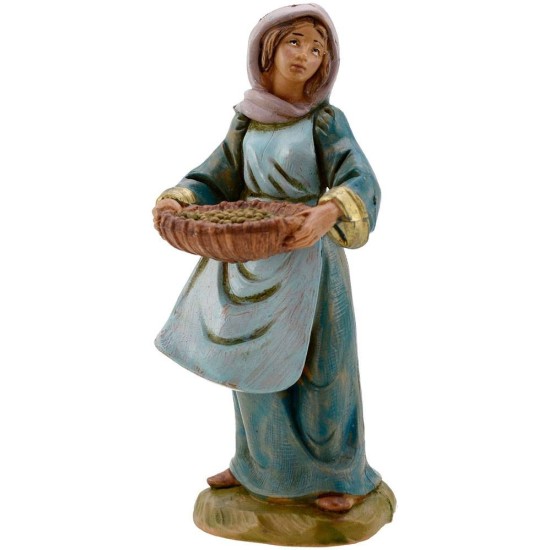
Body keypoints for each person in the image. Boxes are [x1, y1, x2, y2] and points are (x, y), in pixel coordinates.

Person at [153, 4, 382, 513]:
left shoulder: (325, 121)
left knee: (324, 370)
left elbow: (359, 178)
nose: (305, 55)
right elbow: (215, 176)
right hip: (252, 258)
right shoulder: (246, 121)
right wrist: (181, 198)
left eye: (317, 48)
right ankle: (257, 465)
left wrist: (328, 211)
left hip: (310, 257)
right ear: (268, 49)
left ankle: (337, 474)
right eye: (295, 42)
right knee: (250, 365)